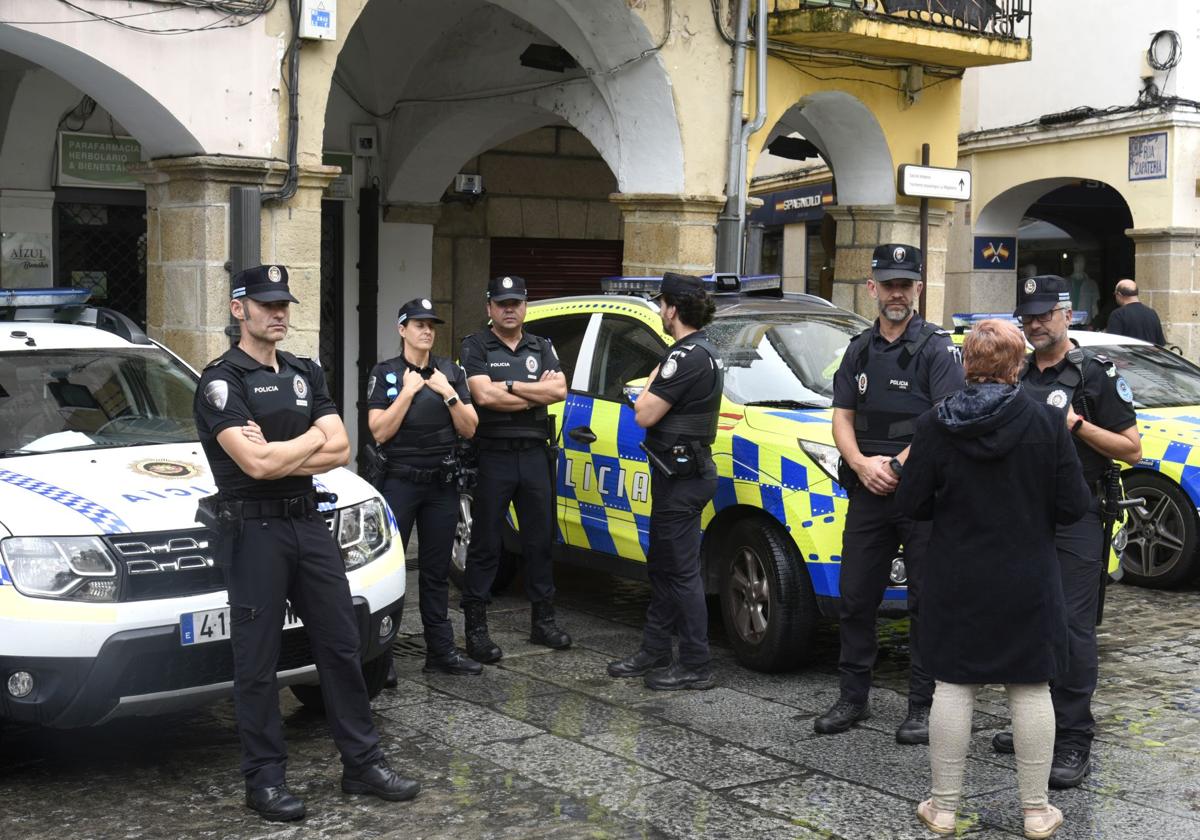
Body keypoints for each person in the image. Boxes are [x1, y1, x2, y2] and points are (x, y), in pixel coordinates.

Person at [193, 265, 420, 822]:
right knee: (258, 661)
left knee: (342, 646)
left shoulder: (303, 371)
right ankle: (265, 780)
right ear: (237, 308)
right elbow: (253, 463)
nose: (279, 313)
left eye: (284, 304)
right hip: (254, 532)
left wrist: (282, 449)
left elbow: (339, 449)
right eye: (267, 304)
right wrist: (305, 442)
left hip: (308, 523)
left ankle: (362, 764)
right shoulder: (223, 380)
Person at [896, 319, 1090, 840]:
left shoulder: (934, 425)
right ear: (1018, 365)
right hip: (1027, 575)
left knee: (953, 684)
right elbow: (1074, 508)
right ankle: (1035, 812)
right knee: (1029, 687)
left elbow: (911, 503)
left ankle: (942, 807)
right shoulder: (1046, 422)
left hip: (957, 574)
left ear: (967, 366)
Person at [990, 274, 1142, 788]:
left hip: (1079, 516)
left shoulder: (1095, 374)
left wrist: (1076, 426)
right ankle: (1036, 719)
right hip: (1023, 515)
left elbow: (1131, 448)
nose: (1035, 323)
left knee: (1074, 630)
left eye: (1044, 314)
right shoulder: (1018, 371)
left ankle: (1074, 736)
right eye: (1027, 315)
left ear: (1067, 315)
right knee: (1025, 622)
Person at [815, 243, 965, 744]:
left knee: (927, 600)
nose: (897, 293)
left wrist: (896, 465)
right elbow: (841, 415)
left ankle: (921, 707)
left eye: (907, 284)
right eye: (889, 284)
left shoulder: (939, 350)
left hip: (921, 493)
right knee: (856, 596)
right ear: (872, 288)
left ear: (919, 289)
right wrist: (860, 463)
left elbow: (944, 419)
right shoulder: (858, 348)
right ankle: (852, 697)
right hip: (868, 489)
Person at [607, 272, 723, 691]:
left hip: (682, 478)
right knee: (664, 567)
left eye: (661, 305)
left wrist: (651, 383)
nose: (659, 311)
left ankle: (695, 662)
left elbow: (645, 414)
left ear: (673, 308)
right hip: (679, 474)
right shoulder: (699, 350)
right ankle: (655, 650)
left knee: (681, 573)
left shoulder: (686, 357)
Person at [459, 275, 570, 663]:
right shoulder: (475, 345)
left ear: (525, 306)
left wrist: (507, 387)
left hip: (535, 455)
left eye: (516, 302)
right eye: (502, 303)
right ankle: (476, 630)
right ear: (489, 307)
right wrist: (528, 390)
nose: (510, 309)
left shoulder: (541, 345)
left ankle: (544, 622)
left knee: (540, 541)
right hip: (493, 456)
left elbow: (559, 392)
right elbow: (481, 395)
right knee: (487, 544)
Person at [367, 298, 481, 678]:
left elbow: (469, 427)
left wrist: (447, 392)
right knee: (390, 571)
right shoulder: (386, 373)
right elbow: (379, 431)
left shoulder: (449, 371)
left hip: (441, 486)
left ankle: (441, 651)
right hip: (399, 482)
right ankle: (380, 658)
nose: (427, 331)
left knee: (434, 572)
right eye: (418, 324)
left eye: (431, 325)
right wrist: (408, 392)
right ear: (402, 330)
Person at [1105, 280, 1166, 345]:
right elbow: (1160, 344)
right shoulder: (1152, 313)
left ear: (1119, 294)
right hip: (1150, 355)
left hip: (1128, 355)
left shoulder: (1118, 315)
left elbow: (1112, 344)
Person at [1067, 255, 1100, 327]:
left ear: (1084, 264)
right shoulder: (1065, 282)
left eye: (1081, 262)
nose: (1079, 264)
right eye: (1076, 262)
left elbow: (1094, 306)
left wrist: (1095, 324)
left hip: (1086, 324)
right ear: (1073, 264)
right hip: (1068, 323)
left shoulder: (1092, 284)